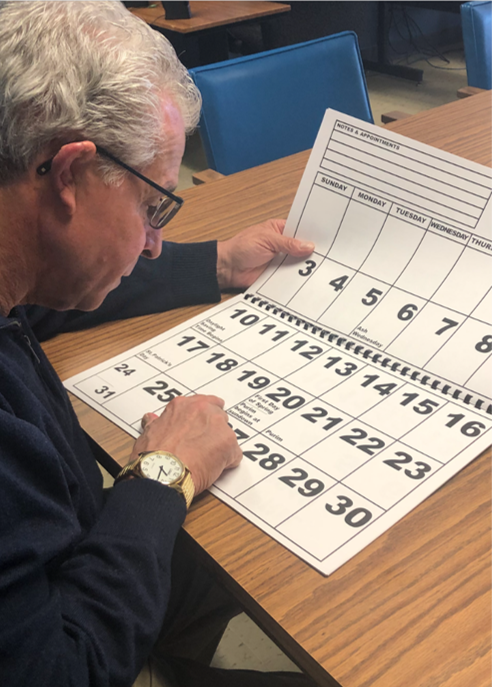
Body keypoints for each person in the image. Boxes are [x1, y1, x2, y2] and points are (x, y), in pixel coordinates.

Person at [0, 2, 317, 686]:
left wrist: (215, 264)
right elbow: (60, 669)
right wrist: (160, 477)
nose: (153, 242)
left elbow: (39, 296)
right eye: (152, 208)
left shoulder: (12, 243)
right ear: (69, 176)